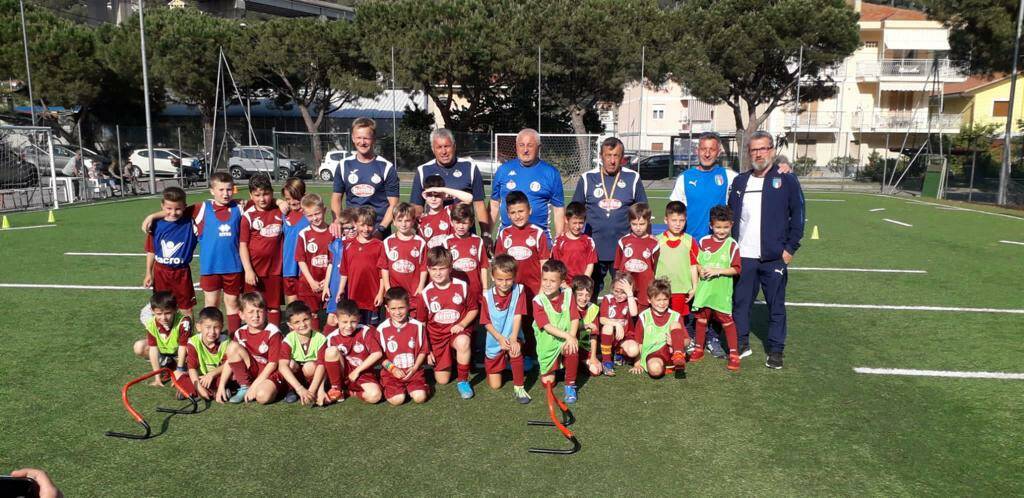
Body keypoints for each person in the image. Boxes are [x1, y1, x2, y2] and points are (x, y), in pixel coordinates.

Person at [728, 131, 805, 370]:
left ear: (771, 150)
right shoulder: (740, 181)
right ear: (749, 153)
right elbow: (731, 217)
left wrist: (790, 249)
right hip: (745, 256)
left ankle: (775, 349)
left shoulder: (786, 179)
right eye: (754, 150)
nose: (759, 154)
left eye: (763, 149)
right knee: (740, 303)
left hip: (774, 257)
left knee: (776, 306)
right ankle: (741, 343)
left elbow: (799, 215)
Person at [143, 172, 244, 332]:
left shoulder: (239, 207)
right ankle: (207, 340)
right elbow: (175, 210)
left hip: (234, 267)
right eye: (221, 190)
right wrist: (152, 216)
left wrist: (279, 201)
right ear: (212, 190)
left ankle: (234, 339)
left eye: (229, 189)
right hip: (210, 268)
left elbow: (261, 203)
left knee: (233, 304)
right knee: (211, 305)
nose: (226, 194)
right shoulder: (202, 208)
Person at [572, 137, 647, 295]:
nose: (612, 160)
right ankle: (588, 321)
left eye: (616, 156)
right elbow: (574, 213)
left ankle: (621, 321)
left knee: (623, 293)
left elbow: (643, 212)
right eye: (608, 155)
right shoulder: (587, 178)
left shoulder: (633, 178)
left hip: (623, 249)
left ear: (622, 157)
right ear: (601, 156)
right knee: (588, 293)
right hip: (592, 248)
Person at [410, 128, 491, 236]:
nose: (443, 152)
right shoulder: (423, 170)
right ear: (433, 149)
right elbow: (417, 207)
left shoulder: (470, 167)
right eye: (439, 147)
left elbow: (479, 205)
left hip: (464, 235)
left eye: (447, 146)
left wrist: (485, 234)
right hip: (434, 235)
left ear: (454, 146)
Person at [421, 246, 478, 399]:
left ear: (450, 268)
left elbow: (473, 309)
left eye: (442, 268)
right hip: (437, 338)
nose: (438, 273)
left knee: (463, 341)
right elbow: (422, 325)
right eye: (433, 269)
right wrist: (427, 350)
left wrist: (462, 324)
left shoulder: (462, 286)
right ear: (428, 269)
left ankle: (463, 380)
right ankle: (452, 359)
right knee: (442, 380)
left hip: (456, 333)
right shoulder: (425, 294)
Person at [691, 205, 742, 371]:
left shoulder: (732, 245)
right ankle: (699, 348)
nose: (721, 231)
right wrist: (701, 270)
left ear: (731, 225)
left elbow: (736, 269)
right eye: (718, 227)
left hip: (721, 292)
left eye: (725, 227)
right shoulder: (704, 241)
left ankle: (734, 354)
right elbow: (696, 262)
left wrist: (718, 271)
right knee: (701, 319)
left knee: (727, 321)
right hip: (704, 290)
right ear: (711, 226)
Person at [329, 117, 399, 239]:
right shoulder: (344, 165)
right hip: (352, 230)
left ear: (374, 139)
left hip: (377, 231)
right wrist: (337, 221)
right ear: (353, 138)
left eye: (366, 138)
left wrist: (381, 229)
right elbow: (336, 198)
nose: (362, 142)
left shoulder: (386, 167)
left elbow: (393, 204)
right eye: (358, 138)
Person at [490, 128, 565, 238]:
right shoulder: (503, 170)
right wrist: (487, 234)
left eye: (530, 145)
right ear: (516, 147)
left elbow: (558, 209)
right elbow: (494, 204)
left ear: (539, 148)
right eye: (521, 145)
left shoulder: (551, 173)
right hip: (506, 239)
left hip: (539, 240)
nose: (525, 150)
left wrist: (559, 238)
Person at [480, 254, 530, 403]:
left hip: (512, 336)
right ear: (492, 277)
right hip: (495, 340)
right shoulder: (487, 296)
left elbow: (517, 315)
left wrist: (513, 337)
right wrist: (500, 338)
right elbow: (486, 323)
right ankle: (503, 362)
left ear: (514, 276)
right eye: (500, 279)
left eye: (508, 279)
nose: (504, 283)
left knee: (515, 349)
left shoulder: (519, 290)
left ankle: (519, 387)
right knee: (495, 385)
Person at [143, 187, 198, 316]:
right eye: (169, 208)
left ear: (185, 206)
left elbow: (207, 204)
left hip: (181, 273)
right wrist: (148, 273)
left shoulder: (190, 222)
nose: (173, 213)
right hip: (161, 272)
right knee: (162, 307)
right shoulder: (156, 225)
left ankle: (187, 335)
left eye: (178, 208)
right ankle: (165, 335)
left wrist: (152, 215)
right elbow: (151, 250)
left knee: (186, 309)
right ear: (162, 206)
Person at [532, 260, 581, 403]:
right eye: (544, 279)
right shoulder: (538, 301)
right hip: (548, 346)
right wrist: (568, 336)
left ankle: (570, 385)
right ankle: (554, 368)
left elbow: (574, 318)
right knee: (548, 382)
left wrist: (571, 337)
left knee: (572, 349)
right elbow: (546, 326)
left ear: (562, 282)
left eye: (552, 281)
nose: (547, 284)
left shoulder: (568, 294)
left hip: (564, 341)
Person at [221, 292, 284, 404]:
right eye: (251, 312)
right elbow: (229, 361)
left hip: (271, 373)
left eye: (259, 311)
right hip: (253, 372)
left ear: (265, 312)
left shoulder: (273, 332)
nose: (256, 316)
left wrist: (255, 386)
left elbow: (273, 364)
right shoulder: (240, 332)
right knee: (232, 347)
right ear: (241, 315)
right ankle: (244, 386)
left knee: (262, 397)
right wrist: (221, 385)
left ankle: (284, 389)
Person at [240, 175, 285, 326]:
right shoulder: (248, 216)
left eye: (266, 194)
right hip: (255, 270)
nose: (262, 199)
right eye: (257, 195)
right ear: (251, 195)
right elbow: (243, 245)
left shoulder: (280, 211)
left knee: (273, 307)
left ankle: (275, 338)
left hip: (275, 270)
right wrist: (248, 270)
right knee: (251, 307)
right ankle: (251, 339)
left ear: (272, 193)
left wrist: (279, 201)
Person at [321, 299, 383, 404]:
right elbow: (323, 363)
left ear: (359, 319)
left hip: (362, 373)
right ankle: (336, 388)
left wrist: (357, 371)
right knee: (331, 351)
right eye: (344, 322)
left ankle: (348, 393)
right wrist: (320, 389)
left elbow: (377, 353)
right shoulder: (332, 337)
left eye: (353, 321)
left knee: (375, 396)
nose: (349, 326)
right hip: (342, 375)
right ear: (336, 319)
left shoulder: (365, 331)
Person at [376, 287, 430, 406]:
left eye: (401, 308)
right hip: (392, 374)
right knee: (397, 400)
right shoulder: (382, 329)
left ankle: (422, 387)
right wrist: (392, 369)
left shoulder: (418, 326)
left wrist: (415, 367)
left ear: (408, 306)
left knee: (420, 398)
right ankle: (389, 387)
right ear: (387, 309)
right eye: (393, 309)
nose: (398, 312)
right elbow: (379, 356)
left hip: (414, 372)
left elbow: (423, 351)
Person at [494, 191, 550, 301]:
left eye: (521, 211)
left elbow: (545, 265)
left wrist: (542, 291)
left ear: (529, 210)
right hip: (510, 292)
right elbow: (498, 266)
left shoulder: (538, 233)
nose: (517, 216)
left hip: (535, 291)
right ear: (508, 214)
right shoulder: (504, 234)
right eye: (513, 212)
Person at [626, 279, 688, 379]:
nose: (662, 303)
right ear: (649, 300)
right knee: (655, 369)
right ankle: (664, 368)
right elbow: (639, 342)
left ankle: (677, 360)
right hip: (653, 354)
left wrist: (676, 343)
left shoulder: (675, 316)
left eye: (665, 299)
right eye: (658, 300)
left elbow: (687, 341)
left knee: (675, 325)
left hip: (672, 353)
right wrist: (637, 363)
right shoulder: (644, 316)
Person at [338, 207, 388, 326]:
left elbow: (382, 273)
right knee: (356, 326)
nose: (366, 229)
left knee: (371, 329)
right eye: (362, 225)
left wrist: (381, 293)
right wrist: (341, 289)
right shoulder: (348, 245)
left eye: (370, 225)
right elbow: (344, 271)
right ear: (355, 224)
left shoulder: (379, 245)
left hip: (373, 297)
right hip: (354, 296)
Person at [294, 194, 337, 331]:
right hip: (308, 283)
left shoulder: (333, 233)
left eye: (317, 213)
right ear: (305, 215)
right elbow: (301, 260)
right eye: (310, 216)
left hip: (328, 281)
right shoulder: (303, 234)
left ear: (324, 210)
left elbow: (333, 260)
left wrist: (327, 281)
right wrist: (311, 281)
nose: (315, 218)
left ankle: (327, 341)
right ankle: (314, 343)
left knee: (333, 314)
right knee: (311, 314)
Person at [654, 201, 699, 327]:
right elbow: (652, 266)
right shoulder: (657, 241)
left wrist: (694, 286)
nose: (678, 224)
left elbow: (693, 265)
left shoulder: (690, 240)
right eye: (674, 220)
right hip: (661, 289)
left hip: (681, 289)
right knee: (660, 318)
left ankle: (679, 343)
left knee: (678, 320)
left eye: (681, 220)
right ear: (665, 220)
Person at [132, 291, 191, 386]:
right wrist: (157, 376)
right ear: (152, 311)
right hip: (165, 352)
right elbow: (153, 348)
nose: (163, 318)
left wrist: (180, 369)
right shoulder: (151, 324)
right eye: (159, 314)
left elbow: (183, 347)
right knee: (139, 347)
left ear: (175, 309)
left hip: (183, 353)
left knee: (191, 353)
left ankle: (181, 367)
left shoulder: (184, 322)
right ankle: (168, 365)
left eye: (168, 313)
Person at [383, 203, 428, 321]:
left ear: (413, 221)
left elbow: (424, 267)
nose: (403, 224)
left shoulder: (420, 243)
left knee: (414, 325)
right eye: (400, 220)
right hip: (394, 294)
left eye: (407, 220)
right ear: (393, 221)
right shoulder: (388, 242)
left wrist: (420, 287)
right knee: (395, 323)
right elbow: (384, 267)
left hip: (414, 294)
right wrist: (387, 287)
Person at [278, 301, 327, 405]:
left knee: (310, 366)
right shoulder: (289, 339)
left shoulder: (320, 338)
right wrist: (299, 389)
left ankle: (315, 389)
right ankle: (292, 390)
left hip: (313, 377)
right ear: (289, 325)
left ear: (311, 317)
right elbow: (282, 366)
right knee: (289, 364)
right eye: (297, 322)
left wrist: (312, 391)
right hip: (297, 379)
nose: (303, 324)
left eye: (305, 319)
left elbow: (322, 366)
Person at [614, 203, 660, 311]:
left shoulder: (654, 243)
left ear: (648, 222)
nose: (638, 228)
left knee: (642, 315)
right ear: (629, 222)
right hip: (626, 286)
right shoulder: (623, 241)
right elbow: (618, 266)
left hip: (645, 287)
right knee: (626, 316)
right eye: (634, 224)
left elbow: (655, 268)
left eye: (642, 224)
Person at [442, 203, 489, 303]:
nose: (461, 226)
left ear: (471, 223)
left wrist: (485, 289)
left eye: (464, 223)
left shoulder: (478, 241)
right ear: (452, 222)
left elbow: (483, 267)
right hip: (455, 292)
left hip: (475, 291)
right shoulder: (447, 242)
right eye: (457, 222)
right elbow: (444, 268)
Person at [183, 306, 231, 402]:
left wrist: (212, 374)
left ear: (222, 327)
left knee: (230, 378)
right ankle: (206, 391)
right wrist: (199, 387)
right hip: (202, 377)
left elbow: (228, 364)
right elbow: (192, 368)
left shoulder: (226, 341)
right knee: (183, 378)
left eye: (216, 327)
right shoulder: (193, 342)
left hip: (219, 375)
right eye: (208, 327)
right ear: (199, 327)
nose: (212, 332)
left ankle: (213, 391)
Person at [598, 272, 638, 376]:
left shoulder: (631, 300)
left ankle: (618, 353)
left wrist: (629, 294)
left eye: (623, 292)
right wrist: (617, 324)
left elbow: (634, 313)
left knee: (634, 351)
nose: (619, 295)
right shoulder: (608, 299)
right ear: (612, 288)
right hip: (610, 337)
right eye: (616, 291)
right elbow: (602, 319)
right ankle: (607, 362)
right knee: (607, 327)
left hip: (625, 337)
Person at [551, 202, 598, 284]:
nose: (577, 226)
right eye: (574, 223)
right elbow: (556, 265)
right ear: (566, 220)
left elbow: (590, 264)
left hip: (581, 285)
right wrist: (562, 282)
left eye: (581, 223)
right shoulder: (559, 241)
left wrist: (584, 281)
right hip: (563, 284)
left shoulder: (588, 241)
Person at [280, 178, 309, 306]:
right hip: (288, 266)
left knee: (307, 304)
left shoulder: (309, 215)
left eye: (295, 198)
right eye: (287, 199)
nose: (291, 202)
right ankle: (294, 326)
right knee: (292, 304)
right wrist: (279, 202)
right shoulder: (283, 214)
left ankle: (311, 325)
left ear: (304, 195)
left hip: (305, 268)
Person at [571, 275, 603, 378]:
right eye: (580, 294)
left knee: (596, 370)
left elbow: (594, 335)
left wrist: (593, 357)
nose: (583, 298)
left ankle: (584, 361)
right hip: (571, 347)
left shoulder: (593, 308)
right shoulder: (567, 306)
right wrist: (584, 326)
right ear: (573, 293)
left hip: (585, 348)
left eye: (587, 295)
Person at [417, 175, 456, 248]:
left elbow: (469, 199)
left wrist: (444, 190)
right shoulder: (421, 220)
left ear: (444, 195)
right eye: (429, 195)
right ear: (424, 195)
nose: (433, 199)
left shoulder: (450, 211)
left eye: (437, 195)